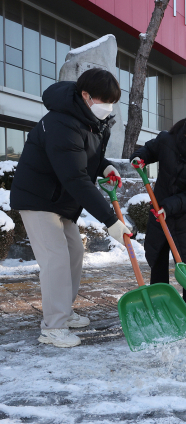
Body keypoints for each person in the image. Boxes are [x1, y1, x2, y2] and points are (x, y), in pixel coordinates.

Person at [10, 68, 129, 348]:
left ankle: (64, 309)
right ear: (86, 95)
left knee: (74, 251)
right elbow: (75, 177)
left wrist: (105, 166)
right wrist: (110, 221)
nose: (108, 107)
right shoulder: (62, 122)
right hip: (38, 198)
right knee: (56, 259)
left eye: (112, 102)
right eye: (104, 100)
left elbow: (87, 157)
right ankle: (53, 327)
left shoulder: (90, 122)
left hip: (59, 200)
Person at [130, 111, 186, 322]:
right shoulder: (167, 141)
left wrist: (168, 206)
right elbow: (149, 149)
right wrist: (139, 157)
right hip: (159, 211)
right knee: (158, 258)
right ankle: (160, 301)